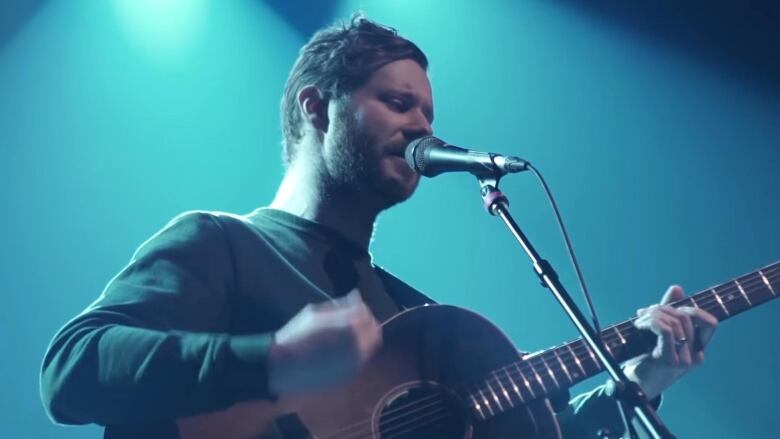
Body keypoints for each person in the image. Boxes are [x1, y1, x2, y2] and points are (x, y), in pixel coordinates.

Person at [40, 15, 718, 439]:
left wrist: (639, 378)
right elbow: (71, 368)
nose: (423, 126)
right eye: (398, 102)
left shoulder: (414, 315)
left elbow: (527, 424)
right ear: (317, 108)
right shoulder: (222, 243)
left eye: (427, 111)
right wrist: (272, 358)